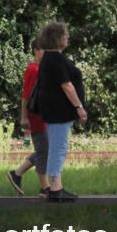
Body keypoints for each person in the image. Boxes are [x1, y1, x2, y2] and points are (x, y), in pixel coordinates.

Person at [36, 22, 86, 203]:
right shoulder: (56, 58)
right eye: (65, 35)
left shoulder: (50, 58)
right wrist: (79, 107)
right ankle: (55, 189)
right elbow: (67, 85)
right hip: (59, 112)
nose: (68, 37)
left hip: (54, 111)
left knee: (58, 147)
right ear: (57, 37)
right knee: (58, 147)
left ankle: (57, 186)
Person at [8, 38, 50, 197]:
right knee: (43, 150)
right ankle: (45, 188)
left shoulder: (40, 68)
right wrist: (23, 117)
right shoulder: (33, 70)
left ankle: (16, 174)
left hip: (42, 115)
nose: (46, 54)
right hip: (35, 116)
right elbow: (26, 95)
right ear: (36, 50)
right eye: (44, 50)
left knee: (44, 149)